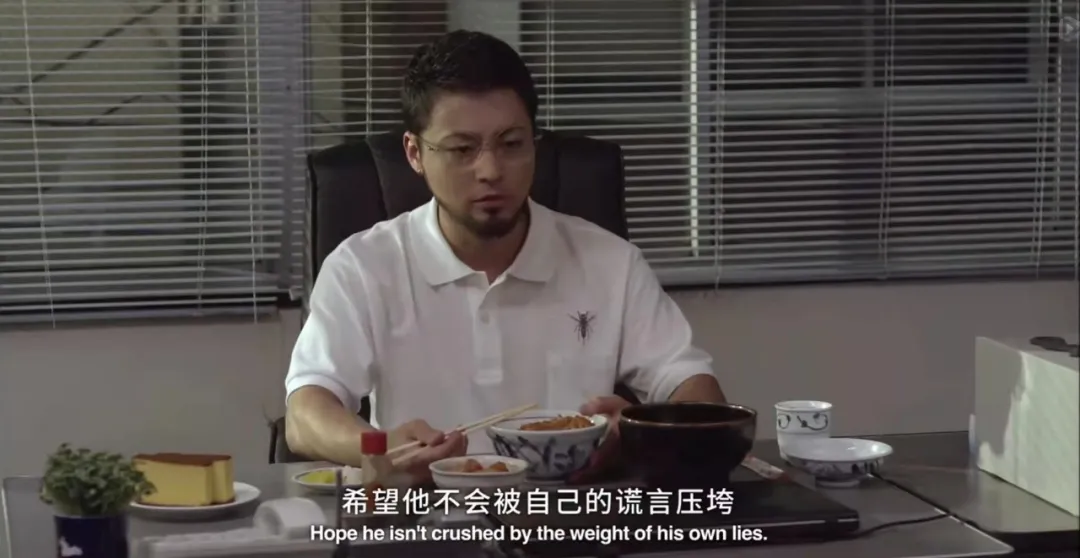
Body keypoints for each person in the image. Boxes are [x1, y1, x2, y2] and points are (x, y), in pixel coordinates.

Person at [284, 30, 727, 482]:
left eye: (512, 144)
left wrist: (637, 432)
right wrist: (378, 449)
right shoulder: (364, 266)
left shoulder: (611, 263)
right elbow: (305, 414)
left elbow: (697, 392)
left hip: (567, 510)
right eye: (462, 149)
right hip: (428, 510)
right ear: (415, 153)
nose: (491, 170)